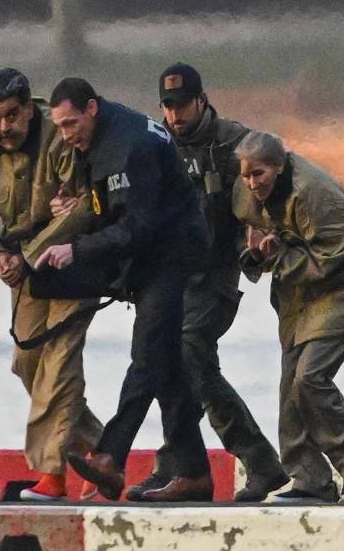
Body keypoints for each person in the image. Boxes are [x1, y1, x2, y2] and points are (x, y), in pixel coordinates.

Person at [37, 77, 213, 502]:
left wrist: (75, 249)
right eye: (59, 126)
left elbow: (136, 227)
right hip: (148, 257)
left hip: (171, 254)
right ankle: (193, 472)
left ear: (92, 109)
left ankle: (110, 457)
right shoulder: (94, 141)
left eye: (71, 123)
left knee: (147, 354)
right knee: (166, 367)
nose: (66, 134)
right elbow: (104, 206)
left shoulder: (131, 146)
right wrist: (71, 205)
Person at [124, 63, 288, 503]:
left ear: (201, 100)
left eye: (182, 106)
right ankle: (176, 464)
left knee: (188, 352)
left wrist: (260, 233)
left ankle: (256, 461)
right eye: (168, 107)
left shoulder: (234, 143)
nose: (175, 116)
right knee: (164, 359)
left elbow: (273, 187)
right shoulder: (152, 145)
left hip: (216, 273)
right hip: (169, 278)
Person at [0, 68, 102, 501]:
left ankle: (52, 477)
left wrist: (29, 254)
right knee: (28, 363)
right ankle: (101, 451)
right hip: (21, 269)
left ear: (29, 108)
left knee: (60, 365)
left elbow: (83, 209)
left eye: (13, 115)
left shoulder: (59, 138)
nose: (4, 127)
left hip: (72, 260)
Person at [232, 130, 344, 503]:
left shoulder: (315, 192)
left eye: (260, 174)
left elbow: (338, 250)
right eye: (247, 175)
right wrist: (256, 255)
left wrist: (279, 256)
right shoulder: (247, 193)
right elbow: (258, 235)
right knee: (290, 384)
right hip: (301, 292)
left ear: (280, 167)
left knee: (311, 376)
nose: (253, 183)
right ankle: (310, 478)